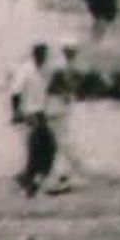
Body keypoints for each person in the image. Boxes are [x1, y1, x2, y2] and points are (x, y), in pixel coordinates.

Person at [9, 43, 56, 197]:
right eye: (41, 55)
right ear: (35, 54)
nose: (44, 58)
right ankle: (29, 182)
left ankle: (27, 180)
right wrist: (16, 113)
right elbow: (15, 91)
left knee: (46, 149)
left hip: (40, 113)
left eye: (45, 55)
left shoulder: (44, 70)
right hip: (30, 113)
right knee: (43, 147)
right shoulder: (26, 70)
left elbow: (45, 92)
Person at [43, 45, 88, 193]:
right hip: (59, 107)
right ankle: (68, 174)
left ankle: (66, 174)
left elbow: (56, 89)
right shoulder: (67, 68)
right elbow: (68, 89)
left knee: (60, 142)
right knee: (62, 141)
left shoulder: (61, 68)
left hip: (56, 107)